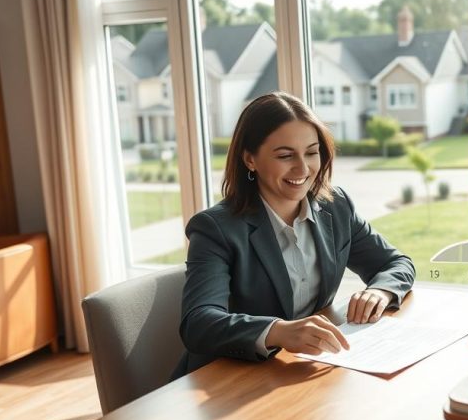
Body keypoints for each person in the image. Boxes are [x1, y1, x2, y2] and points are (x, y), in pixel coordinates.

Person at [172, 91, 415, 377]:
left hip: (299, 370)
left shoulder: (335, 207)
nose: (303, 168)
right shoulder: (216, 229)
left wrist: (380, 291)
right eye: (286, 155)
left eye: (312, 152)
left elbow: (396, 263)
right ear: (250, 159)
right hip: (227, 380)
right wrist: (278, 331)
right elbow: (199, 324)